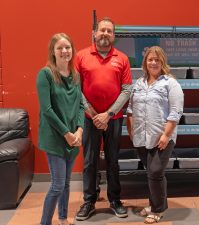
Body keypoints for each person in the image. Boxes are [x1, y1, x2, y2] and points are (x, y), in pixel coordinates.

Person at [75, 17, 132, 221]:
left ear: (114, 36)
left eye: (109, 31)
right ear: (95, 33)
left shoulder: (122, 58)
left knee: (113, 160)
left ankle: (115, 200)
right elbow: (76, 88)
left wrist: (107, 114)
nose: (105, 34)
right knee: (90, 161)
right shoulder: (81, 56)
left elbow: (127, 90)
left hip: (113, 118)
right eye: (102, 30)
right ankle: (89, 201)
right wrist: (92, 113)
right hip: (89, 119)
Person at [126, 46, 184, 224]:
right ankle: (154, 204)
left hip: (161, 138)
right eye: (150, 59)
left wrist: (166, 135)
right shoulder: (139, 83)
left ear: (162, 62)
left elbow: (175, 111)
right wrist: (130, 131)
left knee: (156, 172)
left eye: (157, 60)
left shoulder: (170, 83)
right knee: (152, 173)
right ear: (145, 62)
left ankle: (157, 209)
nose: (153, 62)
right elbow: (130, 109)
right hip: (141, 137)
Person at [36, 33, 84, 225]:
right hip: (56, 137)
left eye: (68, 47)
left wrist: (79, 131)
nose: (65, 51)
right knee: (57, 185)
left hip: (73, 137)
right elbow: (46, 110)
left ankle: (63, 219)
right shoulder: (45, 74)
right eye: (60, 48)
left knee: (65, 183)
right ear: (53, 52)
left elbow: (81, 105)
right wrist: (66, 133)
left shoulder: (75, 75)